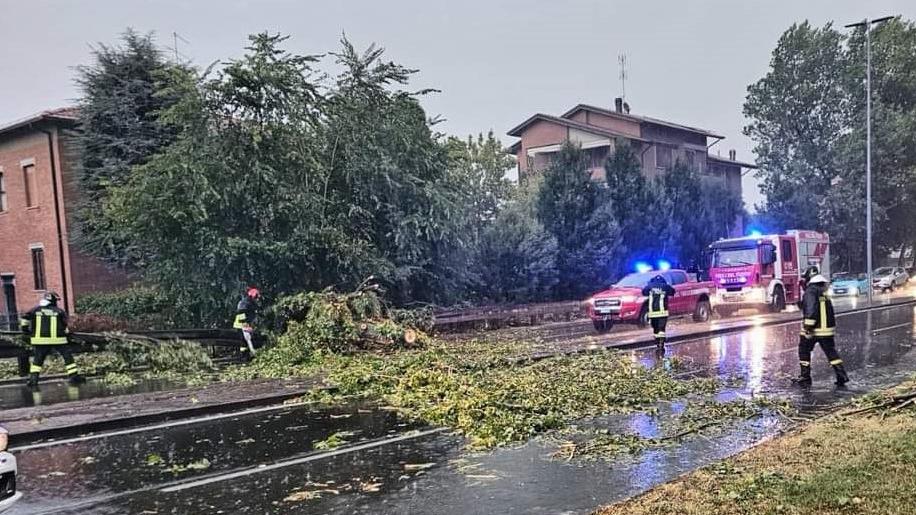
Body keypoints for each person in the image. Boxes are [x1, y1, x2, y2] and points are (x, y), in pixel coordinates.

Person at [20, 292, 85, 387]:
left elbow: (24, 319)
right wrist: (68, 333)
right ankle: (74, 377)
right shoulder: (59, 311)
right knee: (68, 358)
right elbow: (66, 327)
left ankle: (33, 380)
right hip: (58, 340)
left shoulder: (35, 310)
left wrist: (26, 331)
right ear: (52, 301)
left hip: (40, 341)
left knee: (37, 361)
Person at [796, 273, 849, 387]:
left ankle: (805, 377)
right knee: (831, 353)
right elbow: (819, 307)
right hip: (827, 330)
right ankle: (842, 376)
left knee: (803, 350)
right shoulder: (822, 291)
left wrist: (807, 328)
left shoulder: (811, 291)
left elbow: (811, 310)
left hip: (815, 329)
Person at [642, 275, 676, 357]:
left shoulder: (649, 287)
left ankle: (658, 343)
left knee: (656, 329)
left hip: (652, 313)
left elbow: (643, 292)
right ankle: (661, 344)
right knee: (662, 329)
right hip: (662, 313)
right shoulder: (665, 286)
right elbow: (673, 292)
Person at [233, 287, 260, 359]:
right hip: (240, 325)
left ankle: (247, 355)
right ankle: (245, 356)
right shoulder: (244, 302)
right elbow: (241, 312)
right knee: (245, 341)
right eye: (256, 296)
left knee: (247, 340)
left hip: (245, 324)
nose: (257, 298)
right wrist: (245, 325)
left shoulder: (251, 302)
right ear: (252, 295)